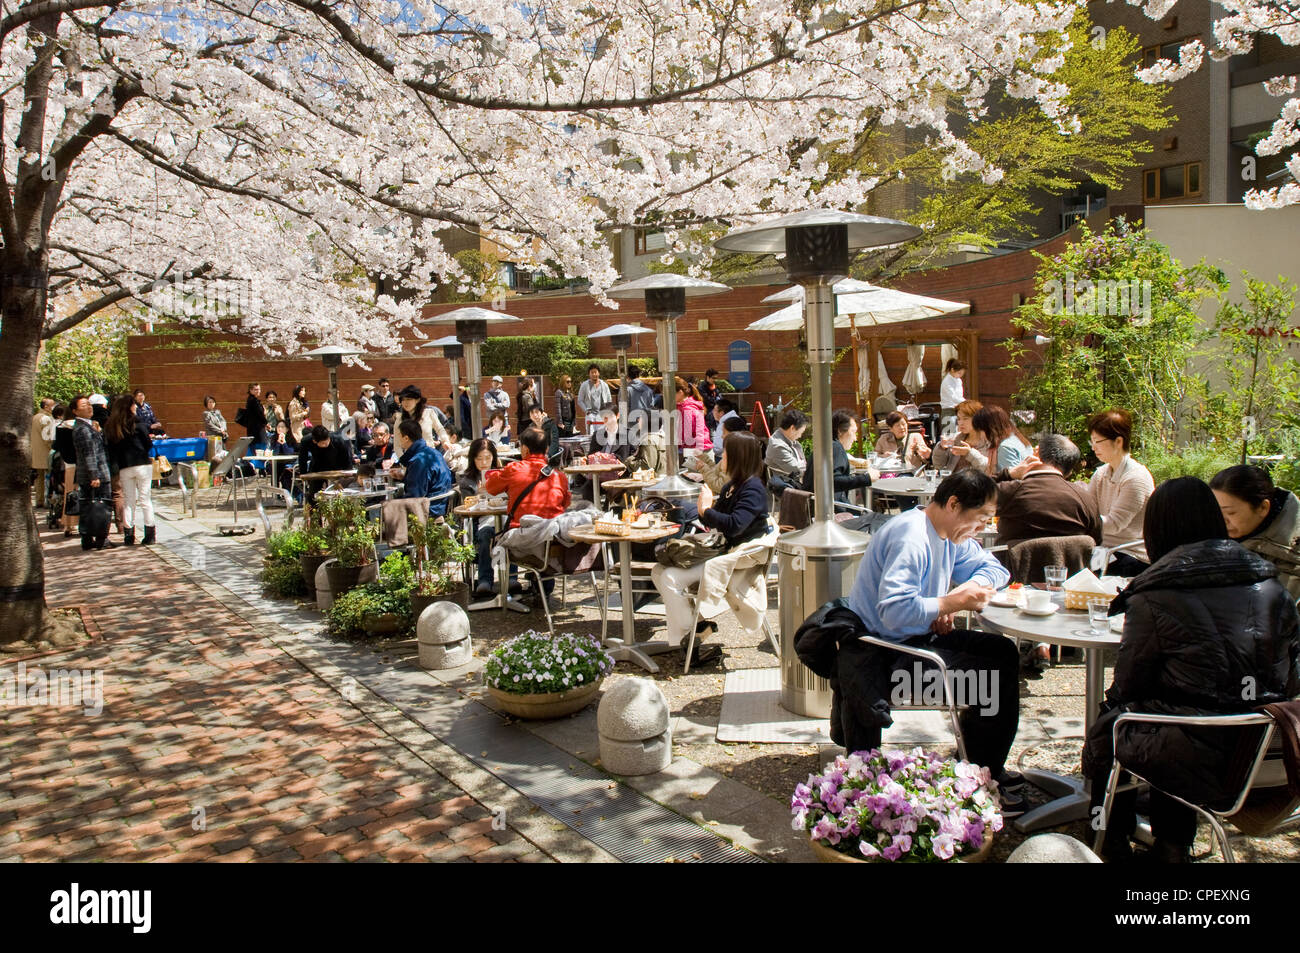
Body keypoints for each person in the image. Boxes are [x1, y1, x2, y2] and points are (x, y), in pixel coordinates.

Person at [1083, 477, 1300, 863]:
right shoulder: (1273, 586)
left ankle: (1110, 838)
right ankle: (1173, 846)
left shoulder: (1155, 595)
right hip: (1265, 749)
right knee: (1182, 715)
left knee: (1118, 720)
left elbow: (1129, 686)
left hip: (1200, 757)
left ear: (1157, 530)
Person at [846, 469, 1022, 803]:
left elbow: (997, 569)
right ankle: (981, 773)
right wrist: (948, 602)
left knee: (1003, 652)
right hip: (886, 655)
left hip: (914, 637)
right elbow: (894, 611)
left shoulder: (946, 533)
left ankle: (979, 765)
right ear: (954, 504)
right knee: (994, 676)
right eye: (981, 519)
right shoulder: (911, 536)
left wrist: (961, 592)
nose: (983, 529)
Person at [652, 431, 770, 665]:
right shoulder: (734, 485)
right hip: (722, 549)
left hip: (734, 556)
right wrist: (702, 509)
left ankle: (691, 635)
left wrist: (706, 510)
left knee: (669, 577)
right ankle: (690, 637)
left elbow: (735, 525)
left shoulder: (753, 489)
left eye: (725, 453)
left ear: (738, 457)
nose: (721, 457)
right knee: (658, 570)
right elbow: (714, 519)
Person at [474, 427, 571, 597]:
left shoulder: (514, 469)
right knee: (545, 531)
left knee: (491, 534)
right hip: (553, 544)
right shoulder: (559, 476)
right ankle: (542, 590)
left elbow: (490, 486)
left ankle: (503, 586)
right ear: (547, 449)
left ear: (524, 449)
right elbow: (566, 503)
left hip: (522, 543)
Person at [993, 434, 1101, 547]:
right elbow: (1097, 541)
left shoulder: (1010, 491)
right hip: (1069, 565)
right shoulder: (1085, 499)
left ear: (1036, 453)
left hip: (1010, 564)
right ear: (1069, 471)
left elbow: (974, 493)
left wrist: (1009, 474)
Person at [1211, 465, 1300, 600]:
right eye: (1216, 511)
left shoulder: (1291, 556)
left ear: (1263, 508)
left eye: (1230, 512)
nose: (1222, 520)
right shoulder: (1210, 539)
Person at [1086, 408, 1155, 577]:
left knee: (1094, 571)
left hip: (1130, 554)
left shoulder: (1136, 477)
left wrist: (1077, 518)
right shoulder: (1101, 473)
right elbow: (1088, 510)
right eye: (1092, 441)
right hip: (1104, 551)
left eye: (1098, 441)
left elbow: (1114, 524)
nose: (1094, 447)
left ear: (1118, 441)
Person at [104, 395, 156, 546]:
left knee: (129, 501)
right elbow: (148, 444)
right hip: (142, 464)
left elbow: (111, 450)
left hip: (125, 466)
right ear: (130, 406)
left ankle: (129, 535)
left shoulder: (112, 426)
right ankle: (150, 534)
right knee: (145, 499)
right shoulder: (138, 424)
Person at [804, 409, 874, 507]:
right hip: (832, 513)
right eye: (853, 432)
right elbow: (833, 481)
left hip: (816, 508)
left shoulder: (824, 446)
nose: (855, 438)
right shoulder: (836, 447)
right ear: (840, 431)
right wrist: (867, 478)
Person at [70, 395, 114, 550]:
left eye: (89, 404)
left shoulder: (88, 426)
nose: (89, 407)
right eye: (84, 405)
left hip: (93, 473)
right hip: (96, 474)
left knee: (89, 507)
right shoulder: (82, 429)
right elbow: (89, 454)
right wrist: (94, 475)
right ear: (75, 411)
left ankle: (88, 539)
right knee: (100, 507)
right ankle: (101, 538)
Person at [393, 419, 454, 517]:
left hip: (429, 508)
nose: (397, 438)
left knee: (386, 507)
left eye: (399, 435)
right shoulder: (433, 453)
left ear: (406, 438)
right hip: (439, 503)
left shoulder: (419, 460)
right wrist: (404, 477)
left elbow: (415, 495)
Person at [297, 424, 355, 504]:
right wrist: (303, 474)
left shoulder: (339, 439)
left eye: (327, 441)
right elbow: (302, 458)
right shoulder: (306, 441)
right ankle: (315, 513)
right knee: (314, 494)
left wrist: (343, 479)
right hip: (318, 465)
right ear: (314, 441)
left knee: (340, 493)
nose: (326, 444)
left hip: (337, 465)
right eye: (323, 443)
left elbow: (347, 460)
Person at [970, 404, 1032, 475]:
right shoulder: (1016, 439)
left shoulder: (1005, 448)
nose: (980, 436)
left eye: (980, 431)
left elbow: (1011, 478)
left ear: (989, 428)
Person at [931, 399, 989, 473]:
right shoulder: (957, 438)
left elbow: (988, 468)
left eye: (965, 419)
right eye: (958, 419)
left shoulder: (988, 441)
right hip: (953, 481)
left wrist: (969, 453)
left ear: (977, 419)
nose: (961, 423)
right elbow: (938, 465)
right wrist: (941, 448)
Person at [396, 384, 452, 451]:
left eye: (408, 399)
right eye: (403, 400)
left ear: (417, 400)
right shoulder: (399, 419)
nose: (405, 402)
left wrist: (445, 441)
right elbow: (397, 445)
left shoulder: (429, 413)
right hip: (411, 458)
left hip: (429, 455)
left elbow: (440, 429)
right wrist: (404, 460)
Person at [765, 409, 808, 495]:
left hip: (796, 482)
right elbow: (797, 469)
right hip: (789, 486)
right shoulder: (778, 445)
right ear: (792, 428)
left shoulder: (790, 440)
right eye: (801, 432)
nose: (800, 436)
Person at [53, 407, 79, 536]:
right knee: (80, 494)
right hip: (79, 464)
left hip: (67, 464)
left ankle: (68, 524)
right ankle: (79, 523)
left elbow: (56, 446)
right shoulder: (78, 426)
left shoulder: (60, 426)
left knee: (69, 495)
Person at [675, 377, 712, 453]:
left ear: (680, 392)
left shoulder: (687, 409)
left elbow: (688, 435)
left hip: (694, 449)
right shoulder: (684, 406)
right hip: (696, 447)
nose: (664, 396)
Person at [31, 398, 55, 508]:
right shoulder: (46, 418)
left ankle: (39, 500)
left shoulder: (34, 417)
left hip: (35, 452)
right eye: (52, 405)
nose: (53, 407)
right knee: (49, 478)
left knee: (38, 478)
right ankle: (48, 501)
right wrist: (53, 448)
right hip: (46, 452)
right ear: (46, 406)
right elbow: (48, 438)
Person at [939, 358, 966, 433]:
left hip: (958, 410)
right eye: (959, 373)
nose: (960, 376)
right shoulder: (947, 381)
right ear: (952, 370)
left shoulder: (958, 380)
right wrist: (966, 402)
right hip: (948, 411)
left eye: (962, 374)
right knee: (949, 436)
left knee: (958, 434)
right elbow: (953, 397)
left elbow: (960, 396)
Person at [554, 374, 576, 438]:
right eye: (567, 381)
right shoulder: (559, 392)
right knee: (563, 442)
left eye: (570, 381)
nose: (569, 383)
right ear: (563, 382)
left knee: (570, 440)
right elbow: (558, 408)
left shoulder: (570, 393)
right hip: (563, 421)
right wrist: (560, 422)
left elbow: (573, 409)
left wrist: (574, 422)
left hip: (570, 421)